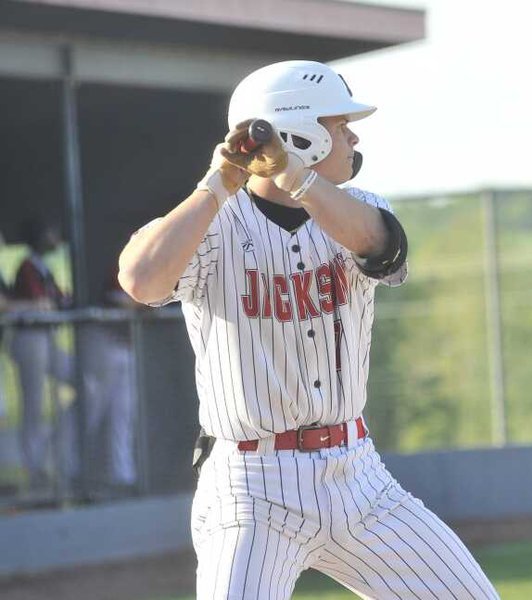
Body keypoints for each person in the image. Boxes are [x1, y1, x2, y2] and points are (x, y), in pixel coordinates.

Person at [118, 60, 498, 599]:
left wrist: (297, 176)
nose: (352, 136)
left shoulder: (360, 209)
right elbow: (140, 280)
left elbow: (379, 246)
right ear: (303, 133)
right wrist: (218, 183)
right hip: (251, 485)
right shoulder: (212, 223)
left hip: (358, 476)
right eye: (339, 125)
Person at [8, 219, 76, 490]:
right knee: (34, 403)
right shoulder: (27, 265)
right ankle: (34, 467)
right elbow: (43, 303)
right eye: (50, 233)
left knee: (86, 382)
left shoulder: (41, 266)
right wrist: (52, 303)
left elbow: (58, 300)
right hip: (29, 337)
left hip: (46, 338)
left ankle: (53, 450)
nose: (54, 238)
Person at [80, 268, 141, 496]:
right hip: (103, 347)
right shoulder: (120, 273)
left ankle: (122, 476)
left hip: (124, 349)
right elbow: (128, 303)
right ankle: (73, 469)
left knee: (123, 415)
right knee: (92, 410)